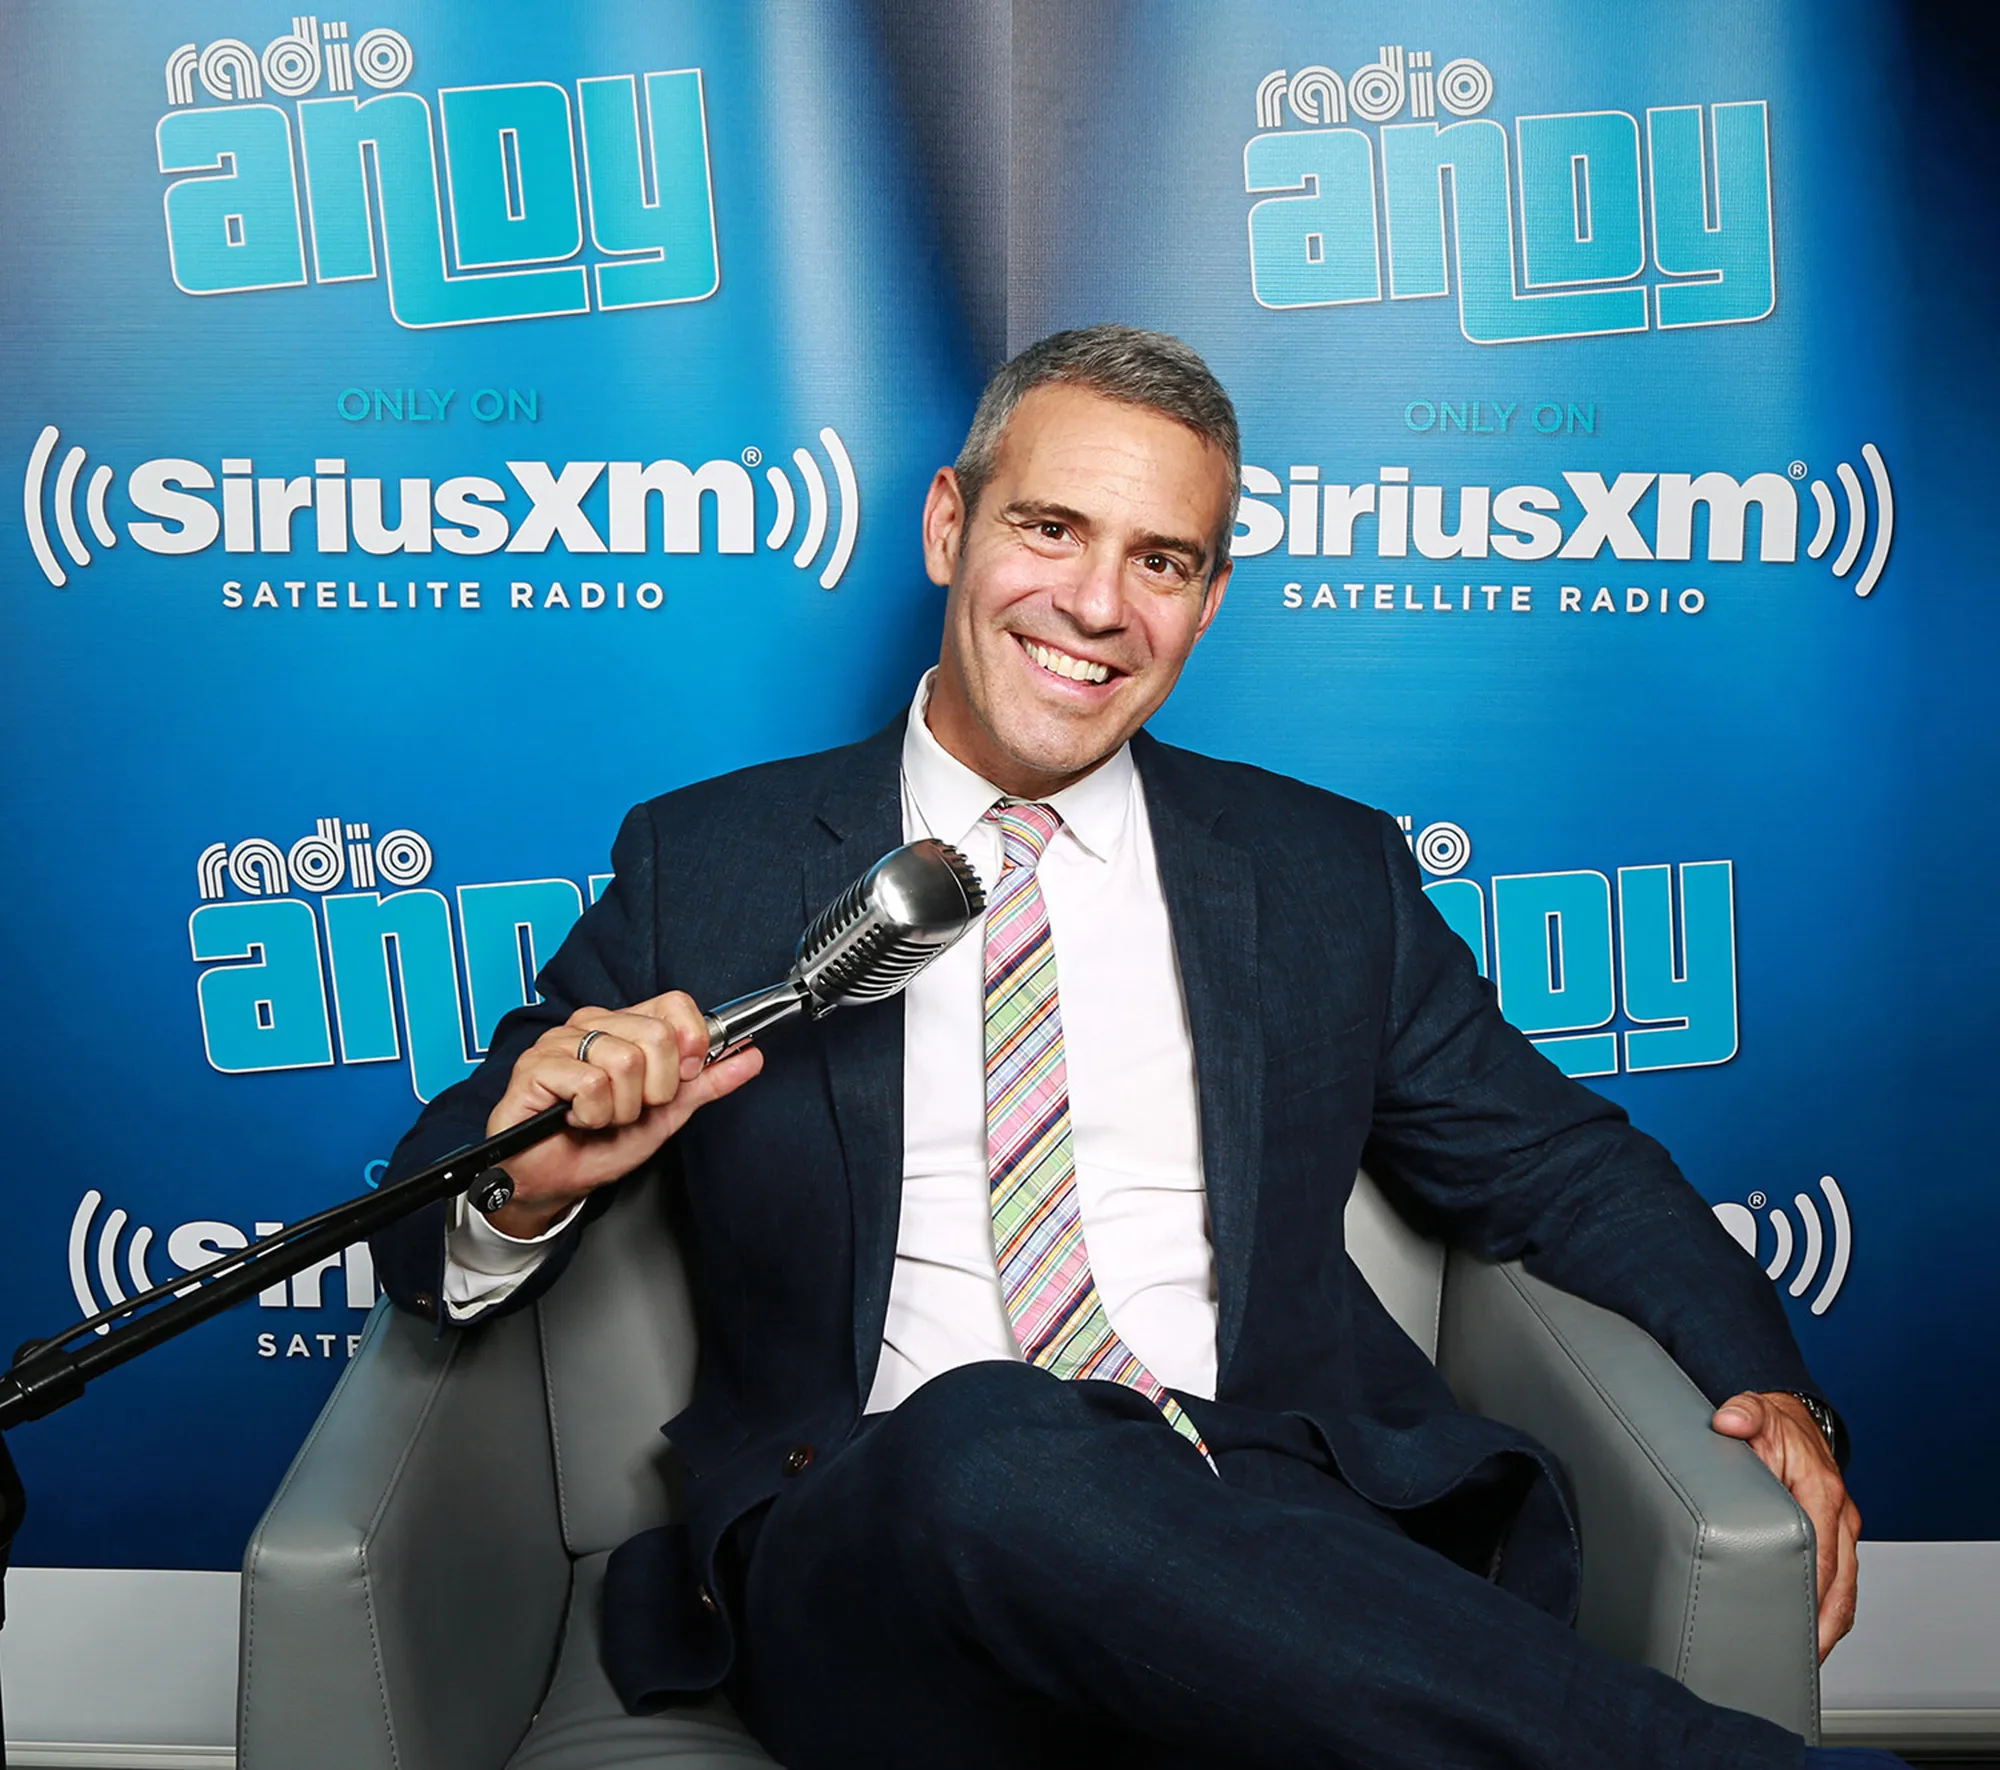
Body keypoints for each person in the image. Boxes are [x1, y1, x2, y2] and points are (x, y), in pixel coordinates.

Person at [375, 326, 1886, 1769]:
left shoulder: (1318, 872)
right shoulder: (713, 861)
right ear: (947, 527)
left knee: (1197, 1600)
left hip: (1265, 1515)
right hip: (873, 1551)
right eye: (1050, 529)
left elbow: (1561, 1165)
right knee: (992, 1437)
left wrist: (1777, 1390)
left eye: (1158, 559)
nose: (1097, 604)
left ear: (1208, 598)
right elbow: (439, 1207)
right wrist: (530, 1180)